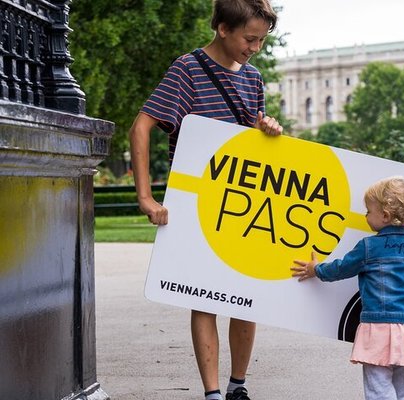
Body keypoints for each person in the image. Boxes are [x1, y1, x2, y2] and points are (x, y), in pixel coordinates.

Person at [128, 1, 283, 399]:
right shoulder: (187, 70)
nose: (255, 48)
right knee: (205, 298)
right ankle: (212, 392)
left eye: (262, 41)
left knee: (249, 300)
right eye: (250, 38)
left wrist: (266, 129)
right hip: (198, 204)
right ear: (222, 29)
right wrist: (145, 197)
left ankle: (238, 386)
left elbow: (251, 143)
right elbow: (142, 126)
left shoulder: (253, 79)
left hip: (242, 206)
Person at [291, 176, 404, 400]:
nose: (365, 216)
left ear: (385, 215)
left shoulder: (368, 247)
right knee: (402, 386)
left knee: (378, 387)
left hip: (377, 328)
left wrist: (315, 269)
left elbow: (340, 269)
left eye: (368, 211)